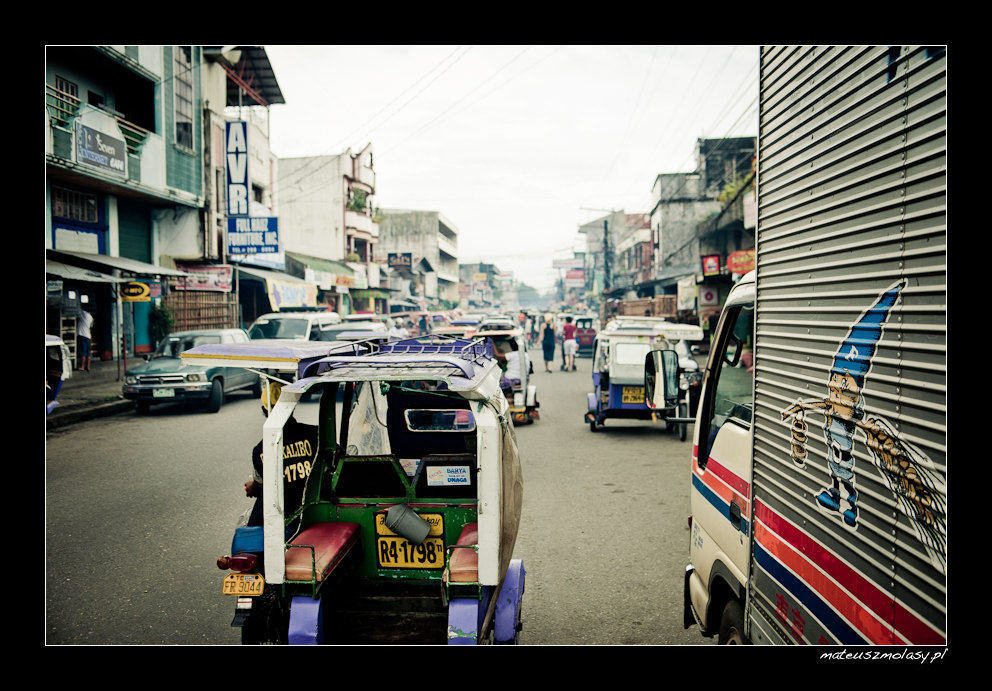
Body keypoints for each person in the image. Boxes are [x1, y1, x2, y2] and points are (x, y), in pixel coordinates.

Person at [244, 381, 319, 534]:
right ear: (293, 406)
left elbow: (262, 484)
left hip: (281, 521)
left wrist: (253, 486)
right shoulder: (315, 434)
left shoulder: (259, 450)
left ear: (264, 409)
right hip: (317, 511)